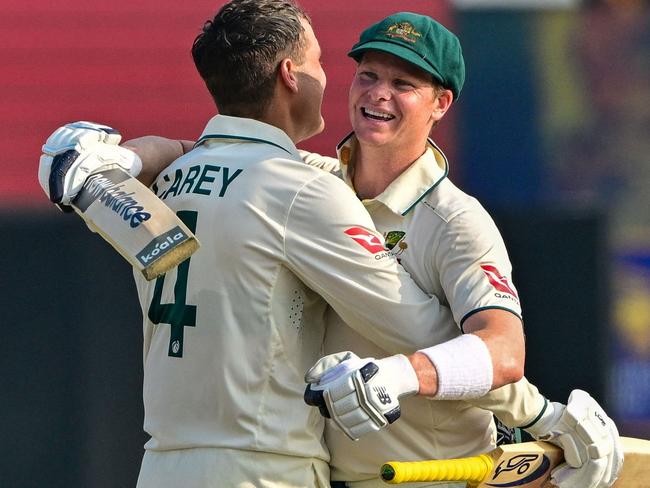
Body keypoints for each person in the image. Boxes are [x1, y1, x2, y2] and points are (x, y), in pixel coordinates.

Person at [37, 4, 621, 488]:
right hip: (284, 471)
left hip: (430, 476)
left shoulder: (456, 221)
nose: (378, 94)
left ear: (441, 104)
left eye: (405, 84)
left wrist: (122, 163)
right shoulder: (308, 182)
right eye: (367, 74)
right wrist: (132, 156)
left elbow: (501, 351)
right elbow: (217, 151)